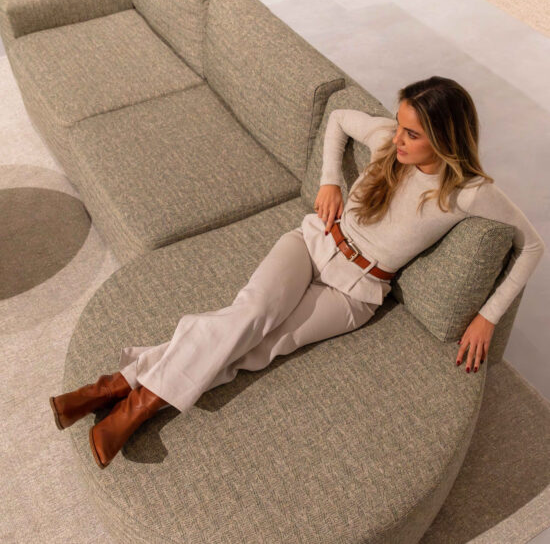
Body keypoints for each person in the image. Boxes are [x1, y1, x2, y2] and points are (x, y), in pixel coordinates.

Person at [49, 76, 545, 469]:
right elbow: (339, 118)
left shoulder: (468, 193)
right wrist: (330, 180)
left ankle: (114, 386)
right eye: (399, 125)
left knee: (260, 348)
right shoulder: (386, 143)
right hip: (311, 244)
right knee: (249, 316)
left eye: (411, 134)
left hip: (355, 293)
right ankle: (132, 410)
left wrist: (488, 316)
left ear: (443, 137)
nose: (397, 138)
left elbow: (533, 245)